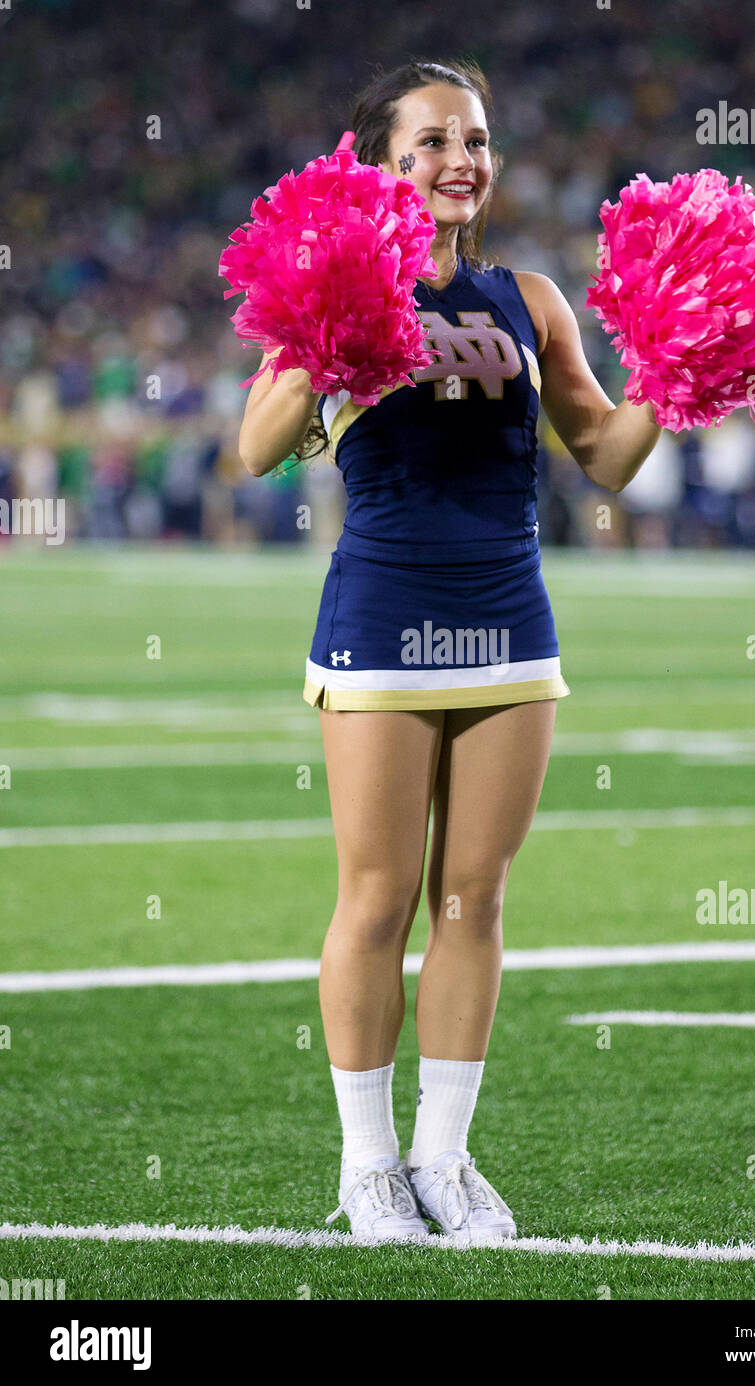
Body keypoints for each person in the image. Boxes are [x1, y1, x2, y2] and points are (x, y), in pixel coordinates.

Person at [238, 58, 660, 1245]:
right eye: (427, 141)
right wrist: (325, 333)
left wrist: (677, 374)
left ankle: (443, 1156)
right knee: (376, 897)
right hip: (381, 614)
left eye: (472, 139)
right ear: (378, 162)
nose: (456, 160)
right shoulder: (332, 279)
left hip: (509, 618)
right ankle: (367, 1164)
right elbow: (256, 445)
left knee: (475, 896)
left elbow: (605, 454)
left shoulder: (529, 297)